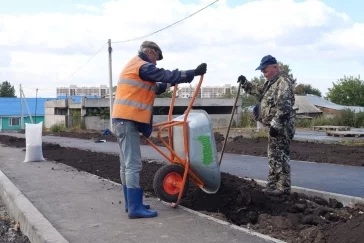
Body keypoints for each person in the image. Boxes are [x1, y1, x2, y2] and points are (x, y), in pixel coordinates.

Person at [112, 40, 207, 219]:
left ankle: (131, 204)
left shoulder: (136, 68)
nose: (155, 62)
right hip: (127, 120)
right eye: (156, 58)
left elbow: (156, 86)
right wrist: (191, 73)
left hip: (122, 120)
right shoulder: (142, 65)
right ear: (149, 52)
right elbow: (162, 75)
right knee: (133, 165)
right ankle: (134, 208)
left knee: (126, 165)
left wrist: (174, 83)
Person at [237, 55, 296, 196]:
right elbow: (259, 92)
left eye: (265, 70)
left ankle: (283, 188)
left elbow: (284, 107)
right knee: (273, 156)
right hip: (275, 126)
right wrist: (245, 83)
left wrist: (276, 125)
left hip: (282, 126)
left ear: (275, 67)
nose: (264, 74)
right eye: (262, 71)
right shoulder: (271, 82)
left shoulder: (283, 82)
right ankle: (272, 185)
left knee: (280, 156)